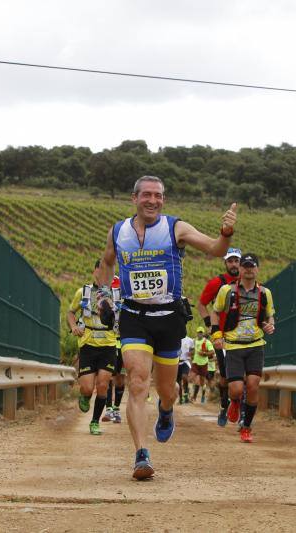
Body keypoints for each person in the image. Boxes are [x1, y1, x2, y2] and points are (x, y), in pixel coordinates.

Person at [98, 175, 237, 480]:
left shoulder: (176, 228)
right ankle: (141, 455)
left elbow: (215, 249)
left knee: (166, 389)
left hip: (169, 317)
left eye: (158, 196)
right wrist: (104, 296)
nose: (152, 201)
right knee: (137, 381)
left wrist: (226, 232)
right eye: (146, 195)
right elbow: (106, 264)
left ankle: (166, 409)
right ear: (134, 198)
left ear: (163, 200)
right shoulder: (118, 231)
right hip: (134, 314)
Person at [211, 253, 275, 443]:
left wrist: (269, 324)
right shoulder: (227, 291)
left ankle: (246, 427)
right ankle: (236, 402)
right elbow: (215, 312)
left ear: (257, 269)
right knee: (237, 389)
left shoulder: (264, 293)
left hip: (255, 344)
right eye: (245, 265)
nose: (248, 269)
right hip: (233, 345)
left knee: (253, 386)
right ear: (240, 269)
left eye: (251, 266)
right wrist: (216, 334)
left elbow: (269, 316)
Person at [67, 260, 118, 435]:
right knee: (88, 387)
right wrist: (74, 327)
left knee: (103, 385)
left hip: (109, 345)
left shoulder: (116, 294)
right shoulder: (83, 292)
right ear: (94, 271)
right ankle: (85, 396)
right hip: (88, 344)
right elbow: (70, 313)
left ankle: (95, 422)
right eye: (100, 270)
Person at [197, 247, 241, 426]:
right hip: (220, 336)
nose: (234, 264)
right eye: (230, 261)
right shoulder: (217, 283)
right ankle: (224, 405)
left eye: (236, 260)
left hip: (242, 336)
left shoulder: (248, 283)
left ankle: (240, 411)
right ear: (225, 263)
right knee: (225, 377)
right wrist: (210, 324)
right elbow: (201, 304)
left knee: (241, 376)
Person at [102, 276, 125, 423]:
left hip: (124, 344)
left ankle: (116, 409)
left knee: (120, 379)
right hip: (109, 343)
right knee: (109, 376)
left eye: (116, 289)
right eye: (112, 289)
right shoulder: (104, 303)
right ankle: (108, 409)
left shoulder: (127, 302)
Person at [191, 326, 215, 403]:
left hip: (206, 366)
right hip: (197, 364)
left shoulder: (208, 343)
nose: (200, 334)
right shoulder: (195, 341)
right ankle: (194, 396)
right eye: (199, 333)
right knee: (196, 379)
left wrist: (204, 354)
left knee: (205, 382)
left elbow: (213, 354)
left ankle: (206, 395)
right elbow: (192, 350)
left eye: (201, 333)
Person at [177, 333, 195, 404]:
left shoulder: (190, 340)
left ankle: (186, 391)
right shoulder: (175, 339)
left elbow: (193, 350)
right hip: (177, 362)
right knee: (178, 383)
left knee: (184, 377)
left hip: (185, 361)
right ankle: (181, 398)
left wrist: (191, 353)